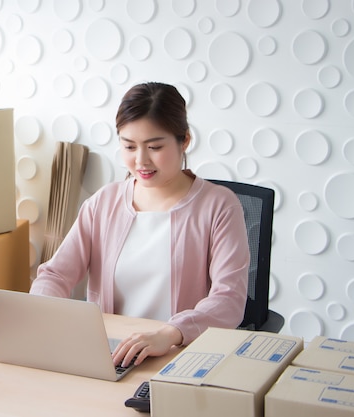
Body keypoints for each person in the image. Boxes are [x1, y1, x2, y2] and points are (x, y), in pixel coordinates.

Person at [29, 82, 250, 368]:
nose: (141, 160)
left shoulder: (219, 206)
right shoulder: (104, 203)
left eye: (155, 147)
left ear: (184, 141)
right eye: (129, 146)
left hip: (182, 355)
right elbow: (56, 274)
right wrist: (40, 311)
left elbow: (229, 299)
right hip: (112, 355)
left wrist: (170, 334)